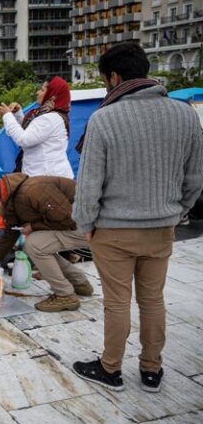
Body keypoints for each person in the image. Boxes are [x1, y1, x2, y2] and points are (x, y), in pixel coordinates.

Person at [72, 42, 203, 392]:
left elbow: (88, 185)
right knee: (153, 300)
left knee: (117, 303)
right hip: (161, 228)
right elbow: (195, 179)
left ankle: (110, 368)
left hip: (113, 231)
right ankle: (150, 369)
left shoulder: (103, 119)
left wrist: (86, 225)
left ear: (114, 77)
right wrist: (176, 214)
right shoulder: (184, 114)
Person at [0, 174, 93, 312]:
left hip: (91, 225)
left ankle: (65, 295)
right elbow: (8, 237)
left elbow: (67, 219)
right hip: (77, 223)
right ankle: (79, 282)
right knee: (38, 244)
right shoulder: (11, 200)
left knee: (34, 245)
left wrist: (33, 226)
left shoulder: (31, 191)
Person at [0, 76, 73, 178]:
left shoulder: (49, 118)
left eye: (42, 90)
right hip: (49, 175)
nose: (38, 92)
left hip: (47, 178)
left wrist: (7, 116)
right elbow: (33, 132)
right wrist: (18, 114)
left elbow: (24, 139)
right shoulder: (52, 115)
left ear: (52, 95)